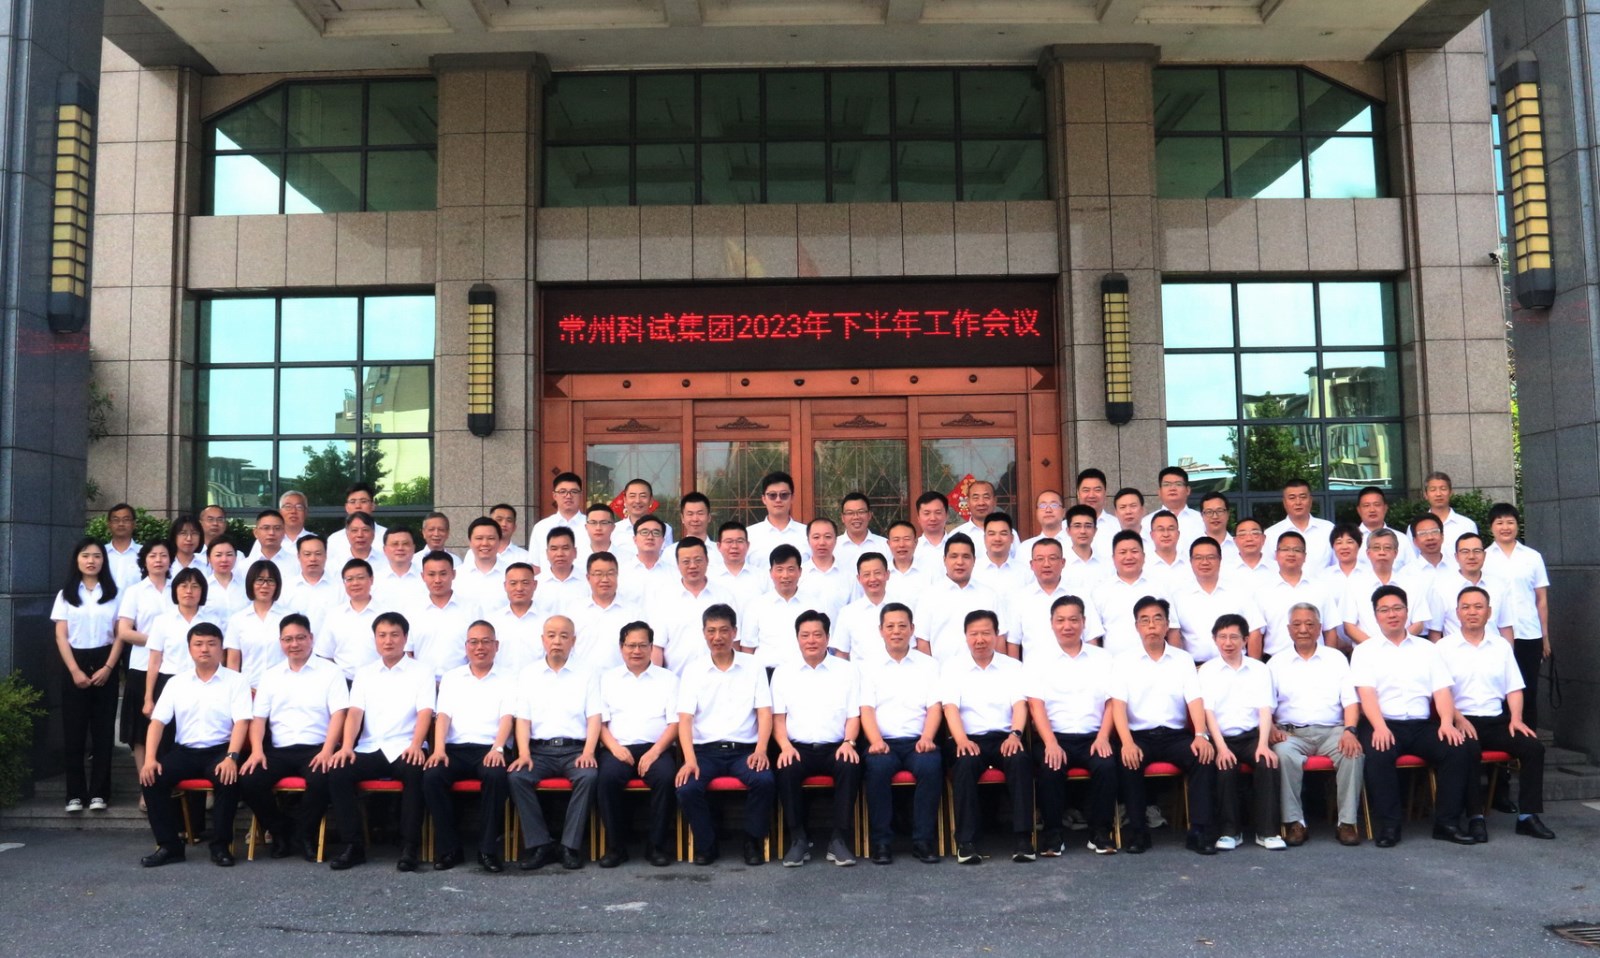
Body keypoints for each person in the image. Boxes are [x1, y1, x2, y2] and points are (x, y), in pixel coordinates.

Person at [1351, 584, 1475, 847]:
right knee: (1378, 753)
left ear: (1407, 612)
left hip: (1421, 725)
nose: (1392, 614)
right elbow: (1367, 695)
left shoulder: (1427, 649)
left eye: (1397, 608)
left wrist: (1446, 722)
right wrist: (1379, 727)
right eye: (1385, 610)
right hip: (1383, 722)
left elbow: (1441, 690)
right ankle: (1389, 826)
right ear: (1376, 615)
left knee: (1457, 748)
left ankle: (1447, 823)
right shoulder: (1365, 651)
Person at [1438, 586, 1555, 840]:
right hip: (1461, 720)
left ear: (1489, 612)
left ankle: (1528, 816)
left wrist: (1516, 719)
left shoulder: (1501, 646)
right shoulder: (1443, 648)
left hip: (1496, 720)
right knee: (1468, 750)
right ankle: (1475, 817)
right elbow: (1439, 692)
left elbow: (1514, 688)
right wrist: (1457, 718)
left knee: (1533, 748)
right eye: (1466, 607)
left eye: (1478, 607)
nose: (1472, 612)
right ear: (1457, 613)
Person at [326, 611, 434, 871]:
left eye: (394, 635)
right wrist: (347, 747)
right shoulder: (364, 673)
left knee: (416, 772)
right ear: (374, 639)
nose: (388, 641)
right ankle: (354, 846)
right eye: (382, 635)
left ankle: (409, 847)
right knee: (339, 770)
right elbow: (355, 713)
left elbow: (425, 712)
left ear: (405, 638)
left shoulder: (422, 672)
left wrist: (417, 745)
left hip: (406, 747)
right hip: (371, 747)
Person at [1109, 597, 1218, 855]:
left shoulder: (1183, 659)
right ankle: (1138, 832)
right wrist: (1126, 742)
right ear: (1137, 626)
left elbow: (1195, 699)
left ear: (1167, 625)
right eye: (1145, 620)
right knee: (1128, 760)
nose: (1152, 625)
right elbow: (1118, 706)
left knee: (1203, 757)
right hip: (1139, 735)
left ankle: (1199, 831)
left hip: (1174, 736)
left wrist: (1200, 734)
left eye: (1158, 619)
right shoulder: (1123, 661)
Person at [137, 621, 251, 867]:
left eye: (211, 644)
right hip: (185, 752)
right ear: (189, 649)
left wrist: (232, 757)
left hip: (220, 750)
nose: (204, 649)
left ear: (221, 648)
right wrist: (150, 759)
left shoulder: (236, 681)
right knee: (151, 778)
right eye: (198, 644)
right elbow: (157, 722)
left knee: (228, 779)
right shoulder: (176, 682)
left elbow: (242, 722)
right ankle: (169, 846)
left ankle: (220, 846)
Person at [238, 613, 348, 862]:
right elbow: (259, 719)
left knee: (323, 778)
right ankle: (280, 832)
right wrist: (257, 751)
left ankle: (305, 835)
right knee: (249, 779)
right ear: (280, 642)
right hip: (279, 749)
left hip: (316, 748)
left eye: (300, 638)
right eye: (288, 639)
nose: (294, 644)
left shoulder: (330, 672)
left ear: (311, 638)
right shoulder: (271, 675)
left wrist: (328, 750)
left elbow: (339, 714)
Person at [674, 604, 776, 866]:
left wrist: (761, 750)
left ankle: (752, 841)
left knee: (764, 781)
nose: (717, 637)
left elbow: (764, 712)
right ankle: (707, 845)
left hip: (744, 750)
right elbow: (685, 719)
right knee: (687, 787)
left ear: (734, 632)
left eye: (723, 630)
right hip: (705, 752)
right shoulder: (693, 670)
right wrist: (689, 759)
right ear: (704, 633)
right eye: (711, 631)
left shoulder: (753, 665)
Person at [1026, 596, 1119, 856]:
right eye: (1061, 620)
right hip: (1055, 736)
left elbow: (1112, 702)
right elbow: (1036, 705)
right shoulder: (1037, 658)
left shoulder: (1103, 658)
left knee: (1106, 765)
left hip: (1094, 736)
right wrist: (1050, 743)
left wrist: (1103, 737)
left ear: (1084, 622)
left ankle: (1100, 832)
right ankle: (1053, 835)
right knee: (1050, 767)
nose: (1067, 626)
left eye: (1073, 620)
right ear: (1052, 623)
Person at [508, 615, 601, 871]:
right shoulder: (529, 674)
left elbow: (594, 717)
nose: (557, 641)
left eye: (563, 636)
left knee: (588, 776)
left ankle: (569, 846)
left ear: (573, 640)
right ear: (543, 640)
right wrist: (524, 753)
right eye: (551, 635)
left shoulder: (587, 673)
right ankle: (541, 844)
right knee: (517, 777)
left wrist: (588, 752)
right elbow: (523, 719)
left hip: (575, 750)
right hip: (539, 751)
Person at [423, 620, 516, 873]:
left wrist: (498, 748)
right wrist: (438, 750)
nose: (480, 647)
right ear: (466, 647)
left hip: (490, 748)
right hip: (455, 749)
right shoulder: (452, 678)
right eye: (474, 642)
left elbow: (507, 717)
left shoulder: (509, 677)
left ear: (496, 646)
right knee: (432, 776)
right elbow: (443, 716)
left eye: (486, 642)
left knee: (496, 776)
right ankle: (450, 849)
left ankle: (487, 850)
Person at [772, 610, 863, 867]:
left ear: (827, 637)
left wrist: (849, 742)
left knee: (850, 765)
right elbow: (778, 718)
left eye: (817, 635)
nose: (811, 640)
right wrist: (785, 746)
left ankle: (839, 839)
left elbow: (853, 715)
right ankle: (798, 839)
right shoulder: (783, 672)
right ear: (797, 638)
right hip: (797, 747)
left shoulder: (847, 670)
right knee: (786, 767)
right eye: (805, 635)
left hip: (836, 746)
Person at [941, 610, 1034, 864]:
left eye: (985, 633)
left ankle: (1023, 839)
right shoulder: (953, 667)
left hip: (1005, 737)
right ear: (965, 636)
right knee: (965, 763)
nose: (980, 639)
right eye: (974, 634)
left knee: (1019, 760)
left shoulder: (1013, 667)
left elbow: (1020, 705)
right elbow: (950, 708)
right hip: (968, 738)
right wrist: (961, 740)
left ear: (996, 635)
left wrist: (1015, 734)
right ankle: (966, 843)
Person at [1268, 603, 1364, 847]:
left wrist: (1350, 731)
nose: (1303, 629)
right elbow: (1265, 706)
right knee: (1283, 755)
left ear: (1320, 628)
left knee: (1353, 752)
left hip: (1332, 731)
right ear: (1288, 629)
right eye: (1297, 624)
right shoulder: (1276, 663)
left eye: (1310, 624)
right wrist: (1271, 728)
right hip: (1291, 734)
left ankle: (1347, 823)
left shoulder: (1336, 659)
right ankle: (1295, 823)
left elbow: (1350, 701)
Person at [859, 602, 943, 864]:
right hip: (883, 742)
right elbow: (866, 709)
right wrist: (875, 741)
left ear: (912, 629)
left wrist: (927, 738)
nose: (896, 631)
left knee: (931, 767)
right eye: (890, 626)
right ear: (881, 630)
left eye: (902, 626)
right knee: (877, 768)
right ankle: (881, 843)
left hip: (919, 741)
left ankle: (923, 841)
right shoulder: (867, 666)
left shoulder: (929, 665)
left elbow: (934, 707)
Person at [596, 622, 680, 868]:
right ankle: (616, 848)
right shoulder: (607, 679)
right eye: (631, 645)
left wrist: (655, 752)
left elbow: (675, 723)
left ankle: (656, 846)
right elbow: (599, 723)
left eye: (642, 645)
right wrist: (614, 748)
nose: (636, 651)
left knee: (666, 778)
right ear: (621, 648)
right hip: (617, 748)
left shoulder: (668, 679)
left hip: (657, 748)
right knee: (606, 779)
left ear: (652, 647)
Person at [1199, 614, 1284, 851]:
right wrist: (1221, 748)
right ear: (1214, 639)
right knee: (1225, 766)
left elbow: (1265, 709)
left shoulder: (1259, 669)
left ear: (1245, 640)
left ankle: (1267, 832)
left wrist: (1263, 744)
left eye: (1234, 637)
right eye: (1222, 637)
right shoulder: (1207, 671)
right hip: (1221, 738)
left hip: (1251, 736)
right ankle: (1230, 832)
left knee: (1267, 762)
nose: (1228, 643)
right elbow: (1208, 713)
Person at [51, 538, 123, 813]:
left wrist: (108, 667)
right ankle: (75, 794)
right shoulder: (66, 594)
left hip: (106, 660)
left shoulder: (114, 593)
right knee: (74, 731)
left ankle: (99, 793)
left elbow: (120, 634)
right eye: (85, 555)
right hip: (75, 661)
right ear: (77, 560)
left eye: (96, 556)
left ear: (104, 560)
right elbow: (61, 636)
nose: (91, 560)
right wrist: (74, 670)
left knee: (103, 732)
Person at [1483, 502, 1552, 730]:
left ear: (1517, 525)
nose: (1505, 527)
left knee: (1528, 689)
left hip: (1528, 633)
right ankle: (1505, 745)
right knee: (1500, 690)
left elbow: (1541, 600)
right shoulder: (1484, 558)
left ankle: (1529, 741)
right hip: (1496, 635)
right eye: (1499, 522)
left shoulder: (1532, 557)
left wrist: (1545, 637)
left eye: (1510, 522)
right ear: (1491, 527)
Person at [116, 540, 173, 801]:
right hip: (141, 666)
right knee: (141, 730)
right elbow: (124, 631)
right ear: (144, 561)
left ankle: (171, 784)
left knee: (170, 729)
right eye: (153, 555)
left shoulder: (179, 588)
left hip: (174, 667)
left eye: (163, 555)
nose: (158, 560)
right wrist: (158, 640)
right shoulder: (135, 592)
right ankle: (146, 789)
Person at [143, 568, 221, 729]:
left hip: (205, 682)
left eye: (195, 586)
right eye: (183, 586)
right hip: (169, 681)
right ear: (175, 590)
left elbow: (220, 656)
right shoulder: (162, 621)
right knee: (167, 733)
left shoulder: (213, 620)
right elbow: (154, 662)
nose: (189, 591)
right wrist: (148, 698)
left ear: (203, 591)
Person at [914, 533, 1008, 663]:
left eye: (966, 556)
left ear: (974, 560)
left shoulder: (989, 595)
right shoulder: (929, 596)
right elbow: (923, 641)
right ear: (944, 560)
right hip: (942, 672)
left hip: (983, 672)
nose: (960, 562)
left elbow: (999, 639)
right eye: (954, 556)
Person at [1009, 537, 1105, 660]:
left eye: (1053, 558)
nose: (1046, 564)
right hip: (1035, 668)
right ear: (1031, 565)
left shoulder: (1080, 595)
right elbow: (1013, 643)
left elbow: (1091, 638)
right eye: (1040, 559)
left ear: (1063, 562)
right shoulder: (1020, 598)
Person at [1169, 537, 1262, 664]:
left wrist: (1253, 667)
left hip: (1235, 665)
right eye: (1198, 558)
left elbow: (1254, 631)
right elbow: (1174, 634)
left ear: (1220, 560)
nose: (1205, 562)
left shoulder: (1239, 591)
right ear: (1190, 561)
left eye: (1211, 557)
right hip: (1196, 667)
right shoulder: (1178, 596)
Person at [1090, 530, 1179, 656]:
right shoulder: (1100, 591)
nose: (1129, 557)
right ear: (1113, 558)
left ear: (1144, 556)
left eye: (1134, 551)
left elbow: (1173, 630)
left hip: (1154, 662)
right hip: (1114, 663)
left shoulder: (1159, 587)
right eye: (1122, 552)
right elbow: (1093, 636)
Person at [650, 536, 731, 674]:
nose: (692, 566)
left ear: (707, 561)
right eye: (686, 561)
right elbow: (657, 646)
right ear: (677, 564)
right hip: (676, 677)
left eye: (698, 560)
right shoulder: (664, 598)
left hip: (718, 677)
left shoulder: (724, 596)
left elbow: (733, 641)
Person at [1342, 529, 1433, 646]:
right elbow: (1349, 626)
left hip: (1405, 649)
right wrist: (1376, 647)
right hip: (1368, 651)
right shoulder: (1354, 584)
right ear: (1368, 553)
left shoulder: (1412, 583)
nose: (1382, 552)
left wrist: (1396, 644)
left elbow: (1419, 624)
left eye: (1387, 548)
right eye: (1376, 548)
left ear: (1395, 553)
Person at [1255, 531, 1337, 660]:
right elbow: (1256, 635)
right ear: (1276, 555)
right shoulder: (1262, 592)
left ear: (1305, 556)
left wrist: (1329, 660)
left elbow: (1330, 630)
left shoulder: (1321, 588)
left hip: (1316, 660)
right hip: (1275, 661)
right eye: (1285, 549)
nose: (1291, 554)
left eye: (1297, 550)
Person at [405, 550, 481, 681]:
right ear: (423, 576)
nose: (437, 580)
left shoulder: (472, 609)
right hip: (422, 683)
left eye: (443, 574)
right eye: (431, 574)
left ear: (454, 574)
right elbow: (407, 651)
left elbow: (479, 648)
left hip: (463, 682)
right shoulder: (412, 610)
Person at [570, 552, 638, 674]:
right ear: (588, 577)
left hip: (622, 679)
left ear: (617, 575)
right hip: (582, 678)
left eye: (610, 574)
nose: (605, 579)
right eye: (598, 574)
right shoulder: (574, 610)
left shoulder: (634, 612)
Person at [223, 560, 287, 690]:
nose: (265, 585)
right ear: (250, 583)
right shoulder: (238, 620)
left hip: (282, 688)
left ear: (277, 585)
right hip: (248, 689)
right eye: (259, 580)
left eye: (270, 580)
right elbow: (233, 663)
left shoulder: (288, 618)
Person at [314, 559, 381, 681]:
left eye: (360, 578)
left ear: (371, 580)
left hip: (378, 680)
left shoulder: (385, 614)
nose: (355, 583)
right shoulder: (334, 616)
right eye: (349, 579)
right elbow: (324, 654)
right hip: (343, 682)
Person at [745, 544, 810, 669]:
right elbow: (748, 649)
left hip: (804, 672)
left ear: (800, 571)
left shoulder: (814, 605)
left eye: (791, 569)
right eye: (779, 569)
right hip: (766, 673)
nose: (785, 575)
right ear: (771, 572)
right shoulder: (756, 606)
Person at [831, 552, 896, 666]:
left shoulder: (901, 608)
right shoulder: (848, 613)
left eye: (877, 573)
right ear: (859, 578)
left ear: (887, 574)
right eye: (866, 574)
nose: (873, 579)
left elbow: (911, 647)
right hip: (860, 676)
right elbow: (841, 654)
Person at [1264, 480, 1335, 572]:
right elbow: (1268, 568)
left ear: (1310, 500)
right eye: (1292, 498)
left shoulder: (1328, 529)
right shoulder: (1271, 534)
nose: (1298, 502)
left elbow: (1338, 565)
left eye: (1303, 497)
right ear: (1284, 502)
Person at [486, 562, 543, 674]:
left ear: (535, 585)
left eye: (525, 583)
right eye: (513, 583)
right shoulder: (492, 621)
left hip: (537, 681)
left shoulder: (547, 621)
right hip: (500, 681)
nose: (519, 588)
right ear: (505, 586)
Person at [798, 518, 854, 621]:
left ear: (836, 540)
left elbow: (855, 612)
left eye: (828, 537)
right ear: (808, 540)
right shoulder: (799, 575)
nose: (822, 542)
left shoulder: (849, 576)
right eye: (816, 537)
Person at [617, 514, 678, 609]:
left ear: (663, 541)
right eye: (644, 532)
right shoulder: (621, 573)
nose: (650, 537)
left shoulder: (675, 574)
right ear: (635, 539)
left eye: (656, 533)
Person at [747, 471, 806, 568]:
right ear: (764, 499)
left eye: (784, 495)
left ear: (792, 498)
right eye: (772, 495)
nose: (778, 500)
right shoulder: (749, 535)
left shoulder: (808, 534)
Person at [283, 534, 338, 631]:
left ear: (326, 556)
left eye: (318, 553)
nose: (313, 559)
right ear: (298, 556)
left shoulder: (340, 588)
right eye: (307, 554)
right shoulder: (286, 588)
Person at [1354, 486, 1417, 570]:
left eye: (1377, 505)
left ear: (1385, 508)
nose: (1372, 510)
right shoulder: (1351, 539)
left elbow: (1412, 570)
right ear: (1359, 510)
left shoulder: (1401, 539)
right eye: (1366, 505)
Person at [1142, 467, 1205, 549]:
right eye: (1166, 484)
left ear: (1188, 490)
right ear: (1159, 492)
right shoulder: (1146, 522)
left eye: (1178, 484)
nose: (1172, 488)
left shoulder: (1202, 520)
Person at [326, 483, 388, 567]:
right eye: (353, 502)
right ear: (346, 507)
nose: (358, 506)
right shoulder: (334, 539)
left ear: (373, 505)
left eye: (363, 501)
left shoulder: (387, 535)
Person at [529, 472, 587, 559]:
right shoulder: (541, 527)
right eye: (562, 491)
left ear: (580, 495)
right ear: (554, 495)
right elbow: (535, 564)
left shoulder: (592, 526)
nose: (568, 496)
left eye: (574, 491)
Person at [456, 516, 509, 611]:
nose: (485, 543)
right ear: (470, 542)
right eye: (479, 538)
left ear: (499, 541)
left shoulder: (511, 574)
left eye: (491, 538)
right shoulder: (456, 575)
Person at [613, 478, 675, 555]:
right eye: (632, 496)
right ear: (625, 500)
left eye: (643, 496)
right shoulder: (613, 530)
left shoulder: (665, 529)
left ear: (651, 500)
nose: (637, 501)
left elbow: (668, 558)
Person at [535, 527, 588, 615]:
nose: (560, 554)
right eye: (554, 549)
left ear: (575, 552)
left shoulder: (588, 582)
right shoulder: (535, 584)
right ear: (547, 553)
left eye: (565, 548)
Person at [973, 512, 1027, 594]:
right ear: (984, 538)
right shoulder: (972, 571)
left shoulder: (1025, 573)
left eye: (1003, 534)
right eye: (992, 534)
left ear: (1012, 538)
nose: (997, 539)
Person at [372, 527, 425, 611]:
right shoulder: (373, 580)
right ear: (384, 549)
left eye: (405, 544)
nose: (400, 548)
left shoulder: (426, 578)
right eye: (395, 544)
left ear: (414, 548)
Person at [835, 491, 889, 571]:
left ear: (869, 515)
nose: (856, 517)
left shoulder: (885, 546)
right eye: (850, 513)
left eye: (861, 512)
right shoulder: (833, 547)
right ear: (843, 517)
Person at [1424, 471, 1479, 548]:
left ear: (1450, 493)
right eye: (1433, 490)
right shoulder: (1415, 527)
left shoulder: (1467, 525)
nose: (1438, 494)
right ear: (1426, 495)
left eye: (1443, 489)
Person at [244, 508, 297, 581]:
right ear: (255, 533)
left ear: (284, 532)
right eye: (266, 528)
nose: (271, 533)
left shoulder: (297, 563)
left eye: (277, 528)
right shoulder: (244, 566)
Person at [202, 536, 248, 616]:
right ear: (209, 558)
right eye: (218, 555)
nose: (224, 560)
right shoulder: (203, 587)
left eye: (229, 554)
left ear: (236, 557)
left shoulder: (246, 586)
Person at [103, 502, 143, 590]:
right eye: (116, 520)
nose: (121, 524)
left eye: (126, 519)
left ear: (134, 524)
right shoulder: (100, 553)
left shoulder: (145, 553)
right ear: (109, 524)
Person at [911, 491, 952, 569]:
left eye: (938, 512)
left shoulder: (958, 546)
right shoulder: (912, 549)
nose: (933, 518)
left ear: (947, 516)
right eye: (927, 513)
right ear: (918, 518)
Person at [1199, 492, 1237, 563]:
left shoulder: (1238, 546)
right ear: (1202, 515)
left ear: (1228, 514)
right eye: (1209, 512)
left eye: (1219, 511)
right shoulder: (1191, 546)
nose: (1215, 516)